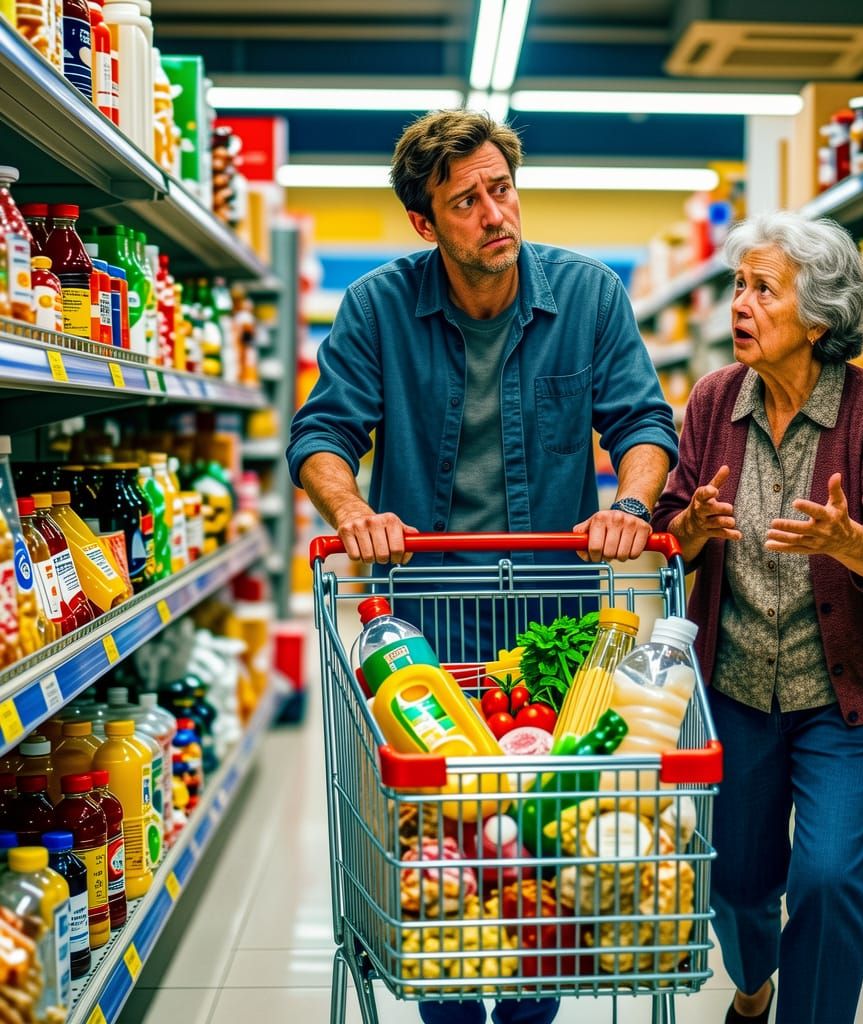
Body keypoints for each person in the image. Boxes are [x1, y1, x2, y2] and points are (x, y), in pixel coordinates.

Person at [287, 109, 678, 1024]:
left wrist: (629, 504)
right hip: (421, 628)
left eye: (501, 189)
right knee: (443, 863)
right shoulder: (378, 307)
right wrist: (352, 510)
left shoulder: (589, 297)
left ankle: (529, 1008)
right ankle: (450, 1002)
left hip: (550, 628)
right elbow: (323, 431)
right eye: (465, 201)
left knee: (537, 858)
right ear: (426, 224)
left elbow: (643, 424)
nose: (494, 213)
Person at [652, 211, 863, 1024]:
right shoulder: (711, 402)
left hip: (849, 699)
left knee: (827, 880)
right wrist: (692, 530)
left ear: (819, 316)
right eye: (738, 285)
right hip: (734, 688)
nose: (739, 303)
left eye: (762, 289)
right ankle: (752, 982)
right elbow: (672, 528)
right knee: (736, 885)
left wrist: (852, 542)